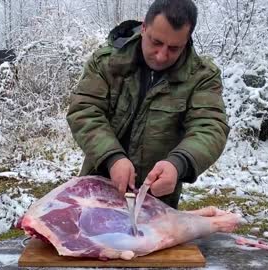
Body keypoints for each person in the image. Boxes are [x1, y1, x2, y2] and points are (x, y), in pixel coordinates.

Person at [66, 0, 229, 209]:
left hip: (156, 200)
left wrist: (178, 164)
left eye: (174, 48)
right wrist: (112, 157)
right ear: (144, 27)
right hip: (97, 187)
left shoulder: (202, 77)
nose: (161, 56)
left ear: (187, 41)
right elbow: (84, 110)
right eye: (156, 42)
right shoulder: (106, 62)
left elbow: (210, 127)